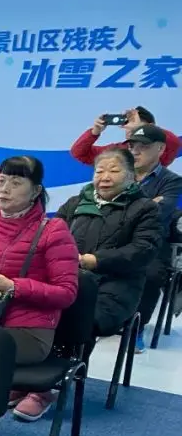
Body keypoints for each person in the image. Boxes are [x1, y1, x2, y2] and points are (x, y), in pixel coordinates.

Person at [0, 156, 80, 422]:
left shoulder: (53, 231)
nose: (4, 189)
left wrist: (12, 286)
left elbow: (66, 292)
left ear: (35, 191)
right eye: (1, 181)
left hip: (30, 331)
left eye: (15, 182)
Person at [57, 148, 162, 345]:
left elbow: (143, 250)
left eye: (114, 171)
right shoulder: (75, 203)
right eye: (99, 171)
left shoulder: (145, 208)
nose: (105, 177)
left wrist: (95, 261)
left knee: (81, 319)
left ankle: (73, 369)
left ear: (131, 175)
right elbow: (52, 236)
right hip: (69, 279)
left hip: (117, 285)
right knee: (34, 311)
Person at [127, 124, 182, 350]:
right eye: (132, 146)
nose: (136, 151)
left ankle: (136, 328)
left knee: (150, 274)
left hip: (152, 243)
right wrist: (149, 203)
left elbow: (158, 214)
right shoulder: (119, 174)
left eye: (143, 147)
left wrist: (129, 208)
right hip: (114, 238)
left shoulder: (172, 181)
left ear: (160, 149)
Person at [71, 106, 180, 167]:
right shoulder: (116, 150)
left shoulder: (158, 150)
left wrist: (142, 129)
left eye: (135, 124)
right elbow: (79, 153)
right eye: (127, 124)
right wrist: (94, 132)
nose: (130, 128)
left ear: (150, 127)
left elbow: (175, 143)